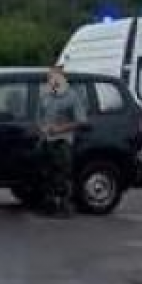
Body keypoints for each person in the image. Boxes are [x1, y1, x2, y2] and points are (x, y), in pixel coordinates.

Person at [37, 64, 88, 215]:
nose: (51, 80)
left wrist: (60, 128)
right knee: (47, 173)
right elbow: (39, 116)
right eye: (49, 77)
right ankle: (49, 204)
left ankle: (65, 206)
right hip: (46, 140)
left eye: (54, 77)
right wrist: (41, 128)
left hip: (62, 141)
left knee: (63, 174)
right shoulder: (45, 95)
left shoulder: (71, 96)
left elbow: (81, 121)